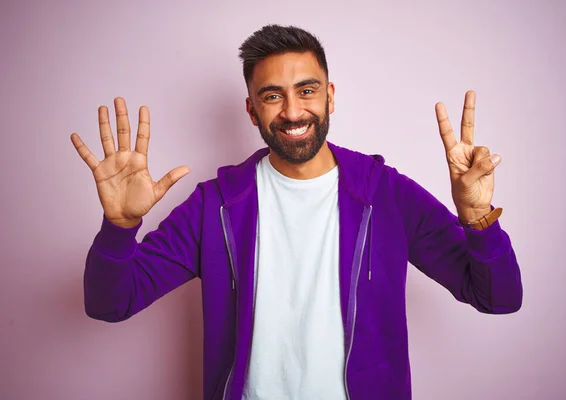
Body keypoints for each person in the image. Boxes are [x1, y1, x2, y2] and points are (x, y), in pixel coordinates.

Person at [70, 24, 523, 400]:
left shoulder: (387, 195)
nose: (292, 111)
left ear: (329, 94)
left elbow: (498, 298)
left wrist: (479, 217)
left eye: (306, 90)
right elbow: (111, 304)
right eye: (272, 96)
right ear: (251, 110)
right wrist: (120, 226)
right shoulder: (215, 206)